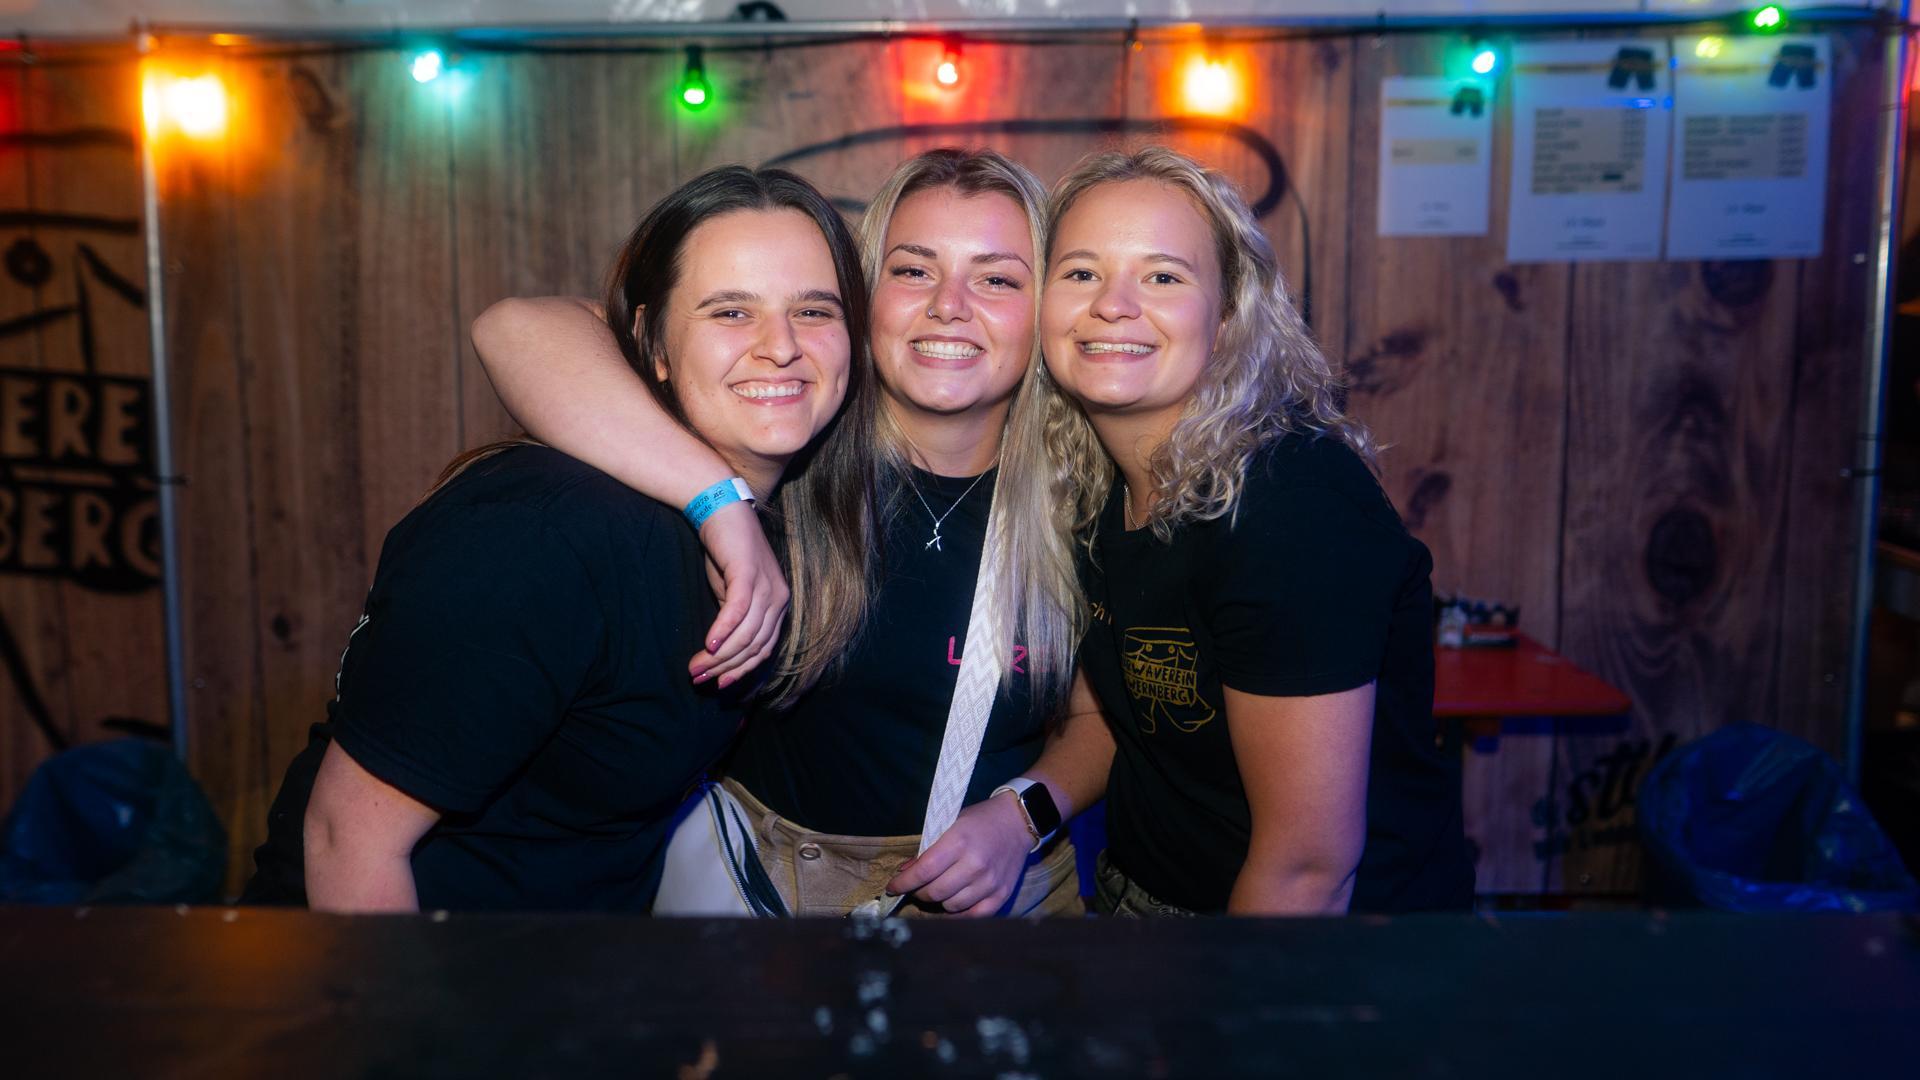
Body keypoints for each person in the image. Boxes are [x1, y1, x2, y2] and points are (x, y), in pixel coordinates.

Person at [470, 149, 1109, 917]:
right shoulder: (785, 445)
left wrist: (1022, 814)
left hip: (1006, 894)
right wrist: (720, 504)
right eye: (913, 270)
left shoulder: (1082, 495)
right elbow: (515, 328)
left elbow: (1100, 719)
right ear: (860, 298)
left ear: (1045, 308)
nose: (949, 305)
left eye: (997, 279)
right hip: (769, 890)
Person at [242, 165, 874, 912]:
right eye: (731, 312)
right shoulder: (550, 529)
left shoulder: (789, 525)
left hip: (566, 968)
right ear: (653, 344)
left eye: (814, 310)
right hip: (402, 968)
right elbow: (345, 840)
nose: (781, 346)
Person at [1038, 147, 1474, 916]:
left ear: (1229, 318)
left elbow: (1307, 870)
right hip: (1133, 897)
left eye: (1163, 276)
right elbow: (1117, 714)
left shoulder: (1290, 502)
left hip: (1319, 951)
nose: (1113, 304)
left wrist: (1225, 1000)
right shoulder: (1092, 482)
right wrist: (1018, 815)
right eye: (1081, 272)